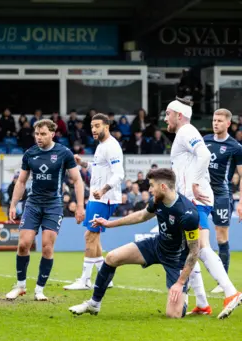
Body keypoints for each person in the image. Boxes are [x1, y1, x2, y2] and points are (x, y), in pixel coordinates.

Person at [69, 168, 198, 318]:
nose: (149, 190)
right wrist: (109, 223)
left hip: (176, 259)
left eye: (151, 186)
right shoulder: (157, 200)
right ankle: (94, 304)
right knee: (111, 257)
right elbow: (141, 216)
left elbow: (195, 251)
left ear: (163, 187)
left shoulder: (188, 213)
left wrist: (180, 282)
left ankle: (184, 296)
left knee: (173, 315)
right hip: (157, 245)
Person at [165, 99, 242, 318]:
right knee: (190, 250)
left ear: (179, 115)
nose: (165, 119)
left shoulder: (186, 130)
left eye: (168, 114)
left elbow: (205, 155)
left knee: (201, 247)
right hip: (189, 198)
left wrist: (196, 182)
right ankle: (202, 303)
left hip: (196, 199)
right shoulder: (185, 133)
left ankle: (230, 292)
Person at [6, 119, 86, 301]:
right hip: (33, 204)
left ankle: (39, 289)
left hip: (53, 205)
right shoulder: (30, 154)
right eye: (36, 134)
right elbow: (21, 181)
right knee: (23, 244)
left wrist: (80, 206)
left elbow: (77, 180)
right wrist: (13, 204)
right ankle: (20, 286)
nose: (39, 137)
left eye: (43, 134)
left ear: (52, 133)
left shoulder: (64, 153)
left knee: (47, 247)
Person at [65, 114, 124, 290]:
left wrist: (103, 190)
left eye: (97, 126)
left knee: (90, 236)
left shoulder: (112, 146)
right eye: (92, 126)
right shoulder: (101, 146)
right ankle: (105, 277)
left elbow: (119, 174)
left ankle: (85, 280)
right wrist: (82, 163)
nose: (94, 129)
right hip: (97, 197)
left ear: (106, 126)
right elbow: (97, 168)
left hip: (103, 198)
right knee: (92, 236)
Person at [203, 108, 242, 294]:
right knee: (194, 235)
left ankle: (223, 280)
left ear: (228, 123)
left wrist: (241, 202)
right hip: (202, 194)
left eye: (219, 120)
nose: (215, 123)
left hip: (221, 196)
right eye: (214, 119)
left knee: (221, 237)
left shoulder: (235, 147)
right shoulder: (205, 141)